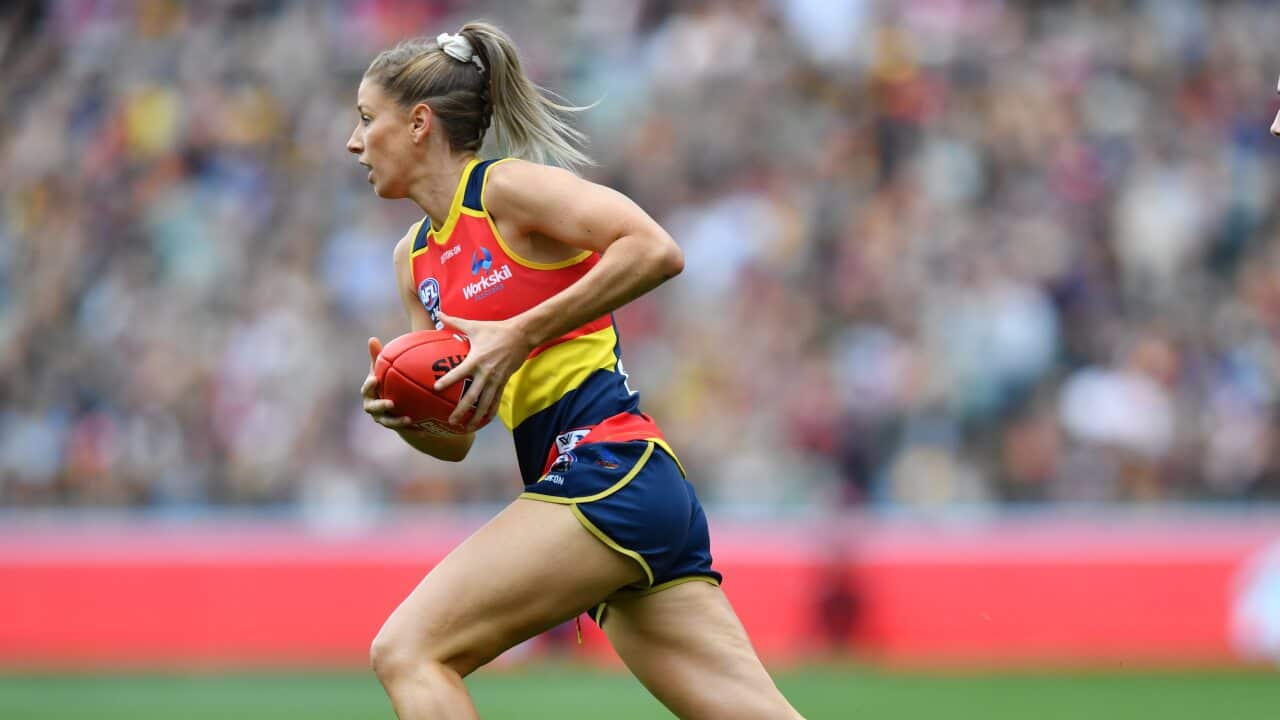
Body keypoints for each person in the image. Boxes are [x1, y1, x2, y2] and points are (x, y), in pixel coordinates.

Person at [348, 22, 804, 720]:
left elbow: (655, 248)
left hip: (605, 468)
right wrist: (407, 415)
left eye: (365, 119)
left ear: (417, 124)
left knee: (409, 651)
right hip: (613, 488)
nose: (354, 143)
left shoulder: (505, 191)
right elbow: (457, 433)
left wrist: (519, 332)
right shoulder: (414, 262)